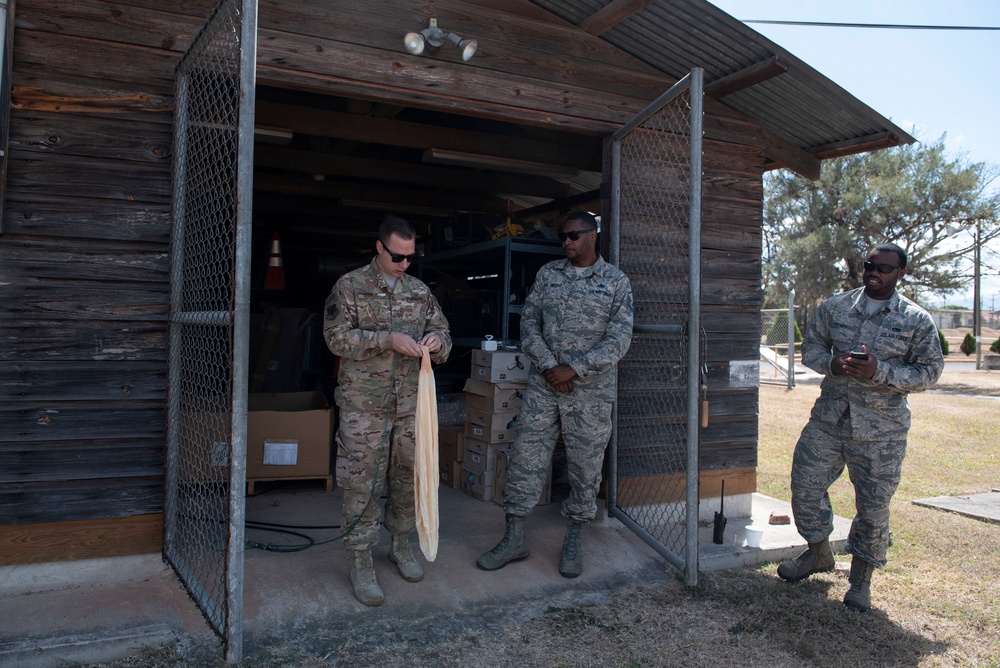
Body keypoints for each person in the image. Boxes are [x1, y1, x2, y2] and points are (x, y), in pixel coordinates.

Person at [777, 242, 943, 612]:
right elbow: (812, 349)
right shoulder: (835, 307)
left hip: (881, 430)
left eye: (884, 268)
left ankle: (860, 581)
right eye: (870, 265)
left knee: (872, 508)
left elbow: (929, 372)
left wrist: (879, 371)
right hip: (829, 419)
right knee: (805, 487)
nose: (874, 272)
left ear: (900, 273)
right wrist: (832, 364)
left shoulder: (916, 319)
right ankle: (818, 552)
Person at [477, 211, 634, 578]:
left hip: (590, 395)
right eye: (563, 236)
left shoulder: (615, 282)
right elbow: (529, 321)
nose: (566, 241)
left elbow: (619, 340)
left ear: (593, 235)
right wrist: (551, 367)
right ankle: (514, 537)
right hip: (544, 389)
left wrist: (574, 369)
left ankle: (575, 538)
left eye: (574, 235)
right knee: (525, 458)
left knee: (584, 468)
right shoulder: (549, 274)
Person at [324, 214, 452, 606]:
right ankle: (361, 560)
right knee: (362, 483)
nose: (404, 264)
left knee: (407, 478)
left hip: (411, 406)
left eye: (410, 257)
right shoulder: (350, 286)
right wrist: (387, 339)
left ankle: (400, 543)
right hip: (366, 406)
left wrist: (435, 340)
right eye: (397, 256)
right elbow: (335, 338)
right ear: (379, 247)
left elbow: (445, 334)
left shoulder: (419, 291)